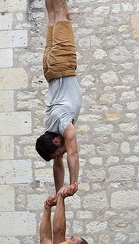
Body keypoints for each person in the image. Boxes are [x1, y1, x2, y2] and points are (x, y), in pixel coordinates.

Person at [36, 0, 82, 198]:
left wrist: (73, 184)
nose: (60, 155)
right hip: (49, 67)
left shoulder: (64, 125)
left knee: (61, 10)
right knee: (53, 15)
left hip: (62, 63)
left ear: (55, 140)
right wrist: (58, 194)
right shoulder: (51, 126)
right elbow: (58, 165)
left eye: (58, 152)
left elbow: (73, 153)